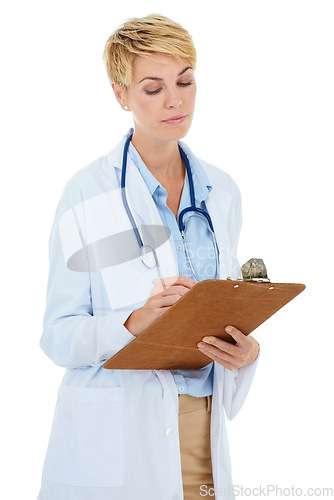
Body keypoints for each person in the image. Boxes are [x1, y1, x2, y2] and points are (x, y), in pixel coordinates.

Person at [37, 13, 260, 500]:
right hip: (117, 431)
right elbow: (57, 336)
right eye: (153, 88)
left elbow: (222, 311)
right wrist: (134, 321)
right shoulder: (86, 195)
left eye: (185, 81)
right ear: (121, 96)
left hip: (200, 422)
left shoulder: (221, 192)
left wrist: (244, 353)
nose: (175, 100)